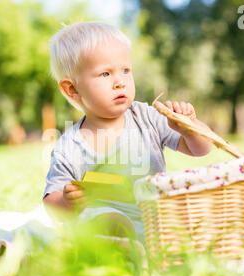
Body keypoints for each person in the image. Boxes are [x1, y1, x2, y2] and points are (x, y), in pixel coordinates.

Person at [42, 21, 213, 243]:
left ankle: (137, 249)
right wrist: (66, 202)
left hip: (155, 224)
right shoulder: (69, 145)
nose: (120, 82)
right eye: (105, 74)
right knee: (95, 220)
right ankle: (117, 248)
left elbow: (202, 149)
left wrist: (189, 128)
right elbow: (51, 201)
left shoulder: (147, 117)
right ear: (72, 89)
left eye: (125, 70)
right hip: (100, 231)